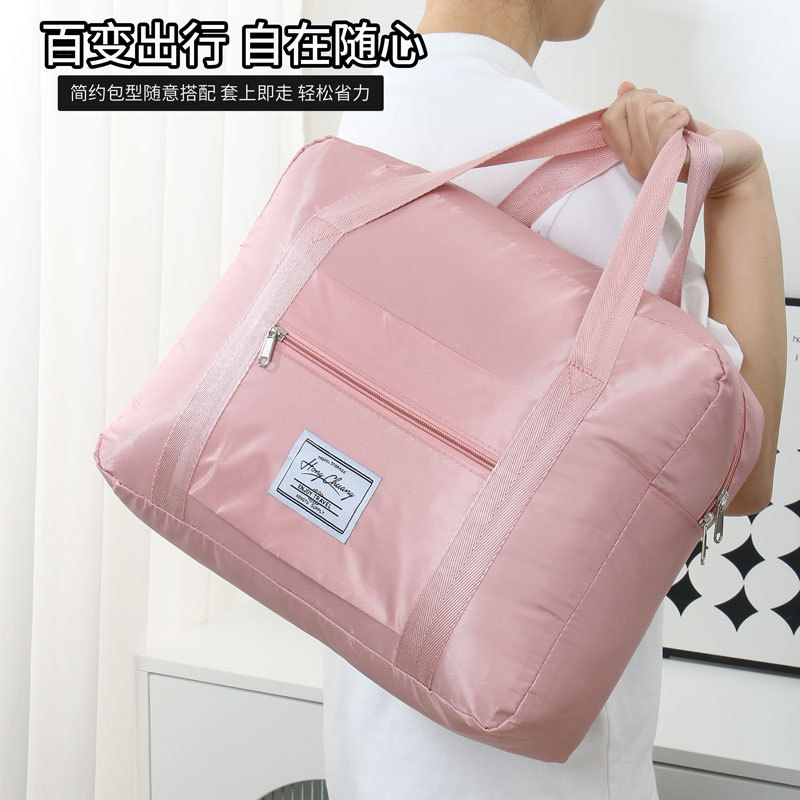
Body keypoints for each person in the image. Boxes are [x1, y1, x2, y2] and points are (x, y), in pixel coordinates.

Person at [322, 1, 786, 797]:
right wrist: (741, 185)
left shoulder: (362, 122)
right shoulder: (588, 173)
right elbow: (739, 474)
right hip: (532, 757)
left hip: (372, 733)